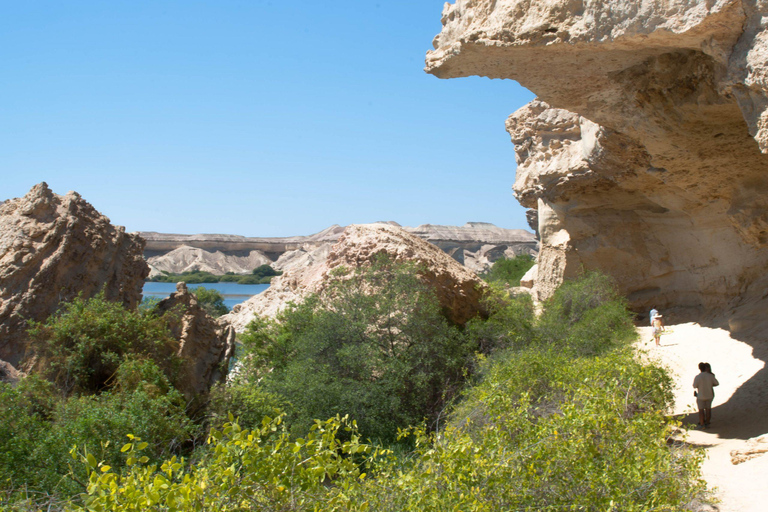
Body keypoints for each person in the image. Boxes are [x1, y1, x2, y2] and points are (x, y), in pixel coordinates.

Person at [693, 362, 719, 429]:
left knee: (701, 410)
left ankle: (702, 424)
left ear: (699, 368)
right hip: (709, 395)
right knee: (708, 409)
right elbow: (716, 383)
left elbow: (694, 386)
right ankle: (707, 423)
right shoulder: (710, 376)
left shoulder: (697, 377)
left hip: (701, 396)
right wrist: (710, 384)